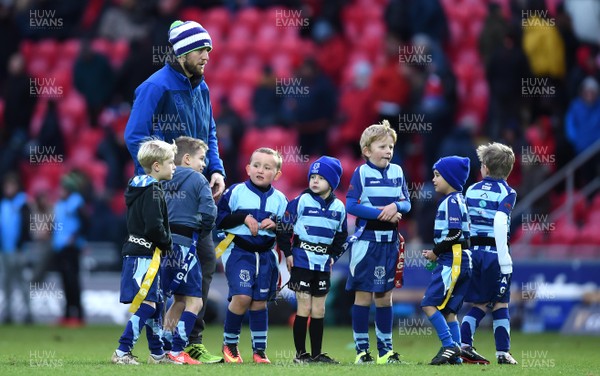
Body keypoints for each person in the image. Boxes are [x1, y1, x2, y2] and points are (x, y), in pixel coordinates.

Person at [124, 20, 226, 362]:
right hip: (167, 197)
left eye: (209, 50)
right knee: (167, 274)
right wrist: (164, 174)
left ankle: (186, 341)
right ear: (182, 51)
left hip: (197, 192)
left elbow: (209, 132)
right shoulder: (154, 87)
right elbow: (135, 137)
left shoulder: (203, 88)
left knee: (203, 264)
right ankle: (161, 346)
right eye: (200, 50)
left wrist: (216, 169)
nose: (206, 56)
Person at [345, 120, 411, 364]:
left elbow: (407, 202)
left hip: (390, 243)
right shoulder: (361, 173)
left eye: (391, 147)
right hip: (367, 242)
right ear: (366, 150)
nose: (388, 151)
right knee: (363, 296)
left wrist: (396, 206)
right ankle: (362, 352)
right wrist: (382, 212)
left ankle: (386, 352)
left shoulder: (398, 171)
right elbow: (351, 204)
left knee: (385, 297)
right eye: (382, 146)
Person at [216, 147, 288, 364]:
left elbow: (288, 229)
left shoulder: (281, 199)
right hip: (239, 252)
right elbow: (220, 219)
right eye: (256, 165)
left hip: (266, 255)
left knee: (259, 302)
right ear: (248, 169)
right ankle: (230, 344)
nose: (260, 170)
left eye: (267, 167)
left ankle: (259, 350)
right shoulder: (235, 192)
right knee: (242, 297)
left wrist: (277, 225)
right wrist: (243, 218)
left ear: (276, 174)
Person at [111, 139, 176, 365]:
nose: (174, 166)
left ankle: (157, 353)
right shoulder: (154, 189)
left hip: (141, 253)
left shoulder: (137, 186)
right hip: (144, 254)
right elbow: (153, 226)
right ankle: (122, 351)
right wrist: (167, 242)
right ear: (157, 166)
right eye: (170, 162)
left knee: (155, 303)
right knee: (147, 304)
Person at [280, 156, 348, 364]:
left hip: (322, 265)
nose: (315, 181)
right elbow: (283, 228)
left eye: (321, 177)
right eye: (313, 177)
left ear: (332, 182)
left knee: (319, 309)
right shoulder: (301, 201)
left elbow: (342, 237)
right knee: (304, 307)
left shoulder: (339, 207)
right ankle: (300, 355)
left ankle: (317, 355)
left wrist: (334, 256)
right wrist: (288, 253)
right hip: (301, 261)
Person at [459, 143, 518, 365]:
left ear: (484, 167)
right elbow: (501, 221)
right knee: (500, 304)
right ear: (509, 169)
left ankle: (464, 345)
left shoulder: (470, 190)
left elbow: (465, 223)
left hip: (473, 253)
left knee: (478, 304)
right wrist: (505, 259)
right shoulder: (508, 193)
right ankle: (502, 352)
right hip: (495, 253)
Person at [161, 136, 217, 364]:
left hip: (165, 246)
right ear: (186, 158)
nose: (203, 164)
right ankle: (177, 349)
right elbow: (209, 213)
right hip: (186, 246)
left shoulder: (163, 180)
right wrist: (201, 234)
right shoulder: (197, 179)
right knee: (196, 302)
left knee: (178, 300)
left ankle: (163, 350)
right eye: (201, 159)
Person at [421, 156, 472, 365]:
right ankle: (457, 358)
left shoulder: (451, 201)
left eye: (438, 175)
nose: (433, 179)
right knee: (450, 310)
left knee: (428, 304)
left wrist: (436, 252)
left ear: (450, 178)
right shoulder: (460, 200)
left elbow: (454, 233)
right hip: (463, 259)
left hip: (454, 258)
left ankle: (450, 346)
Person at [52, 172, 88, 327]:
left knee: (73, 281)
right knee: (65, 281)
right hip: (60, 248)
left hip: (72, 248)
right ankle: (67, 315)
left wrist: (75, 236)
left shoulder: (76, 202)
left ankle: (78, 315)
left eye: (64, 188)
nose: (61, 191)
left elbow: (87, 223)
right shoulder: (60, 204)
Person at [0, 172, 32, 324]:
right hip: (4, 251)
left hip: (19, 251)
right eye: (7, 186)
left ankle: (28, 313)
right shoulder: (3, 204)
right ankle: (8, 313)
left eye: (11, 186)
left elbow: (27, 226)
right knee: (6, 283)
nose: (8, 189)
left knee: (22, 283)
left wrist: (22, 243)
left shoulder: (23, 204)